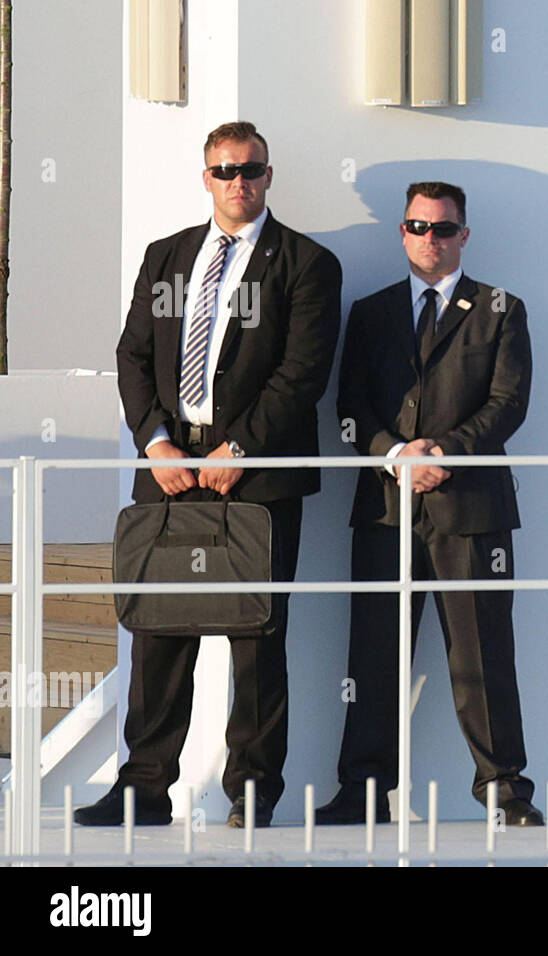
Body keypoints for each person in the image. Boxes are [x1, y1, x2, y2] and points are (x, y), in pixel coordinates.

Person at [79, 122, 342, 828]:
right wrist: (155, 444)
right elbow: (133, 354)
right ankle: (143, 789)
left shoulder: (307, 264)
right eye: (224, 170)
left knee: (256, 639)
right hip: (169, 471)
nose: (238, 181)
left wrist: (242, 449)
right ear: (206, 178)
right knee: (158, 634)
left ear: (268, 174)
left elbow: (303, 373)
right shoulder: (167, 256)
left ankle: (252, 793)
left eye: (250, 169)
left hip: (255, 480)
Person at [317, 182, 542, 827]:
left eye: (443, 229)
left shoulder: (502, 309)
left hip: (472, 509)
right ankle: (362, 792)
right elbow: (351, 408)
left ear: (464, 235)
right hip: (387, 511)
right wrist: (397, 456)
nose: (430, 239)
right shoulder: (371, 311)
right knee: (374, 656)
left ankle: (506, 792)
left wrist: (441, 452)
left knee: (482, 656)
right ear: (402, 231)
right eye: (417, 227)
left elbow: (509, 404)